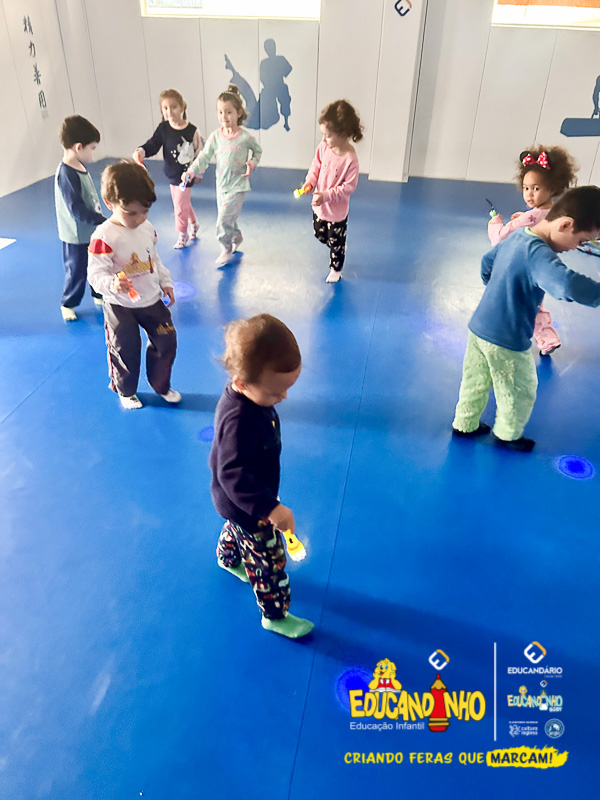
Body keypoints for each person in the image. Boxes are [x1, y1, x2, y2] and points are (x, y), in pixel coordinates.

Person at [452, 186, 600, 452]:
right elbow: (565, 284)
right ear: (565, 225)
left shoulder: (519, 234)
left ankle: (465, 423)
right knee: (519, 388)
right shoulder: (539, 254)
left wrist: (497, 287)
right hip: (506, 338)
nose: (577, 248)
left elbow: (487, 262)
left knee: (475, 380)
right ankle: (507, 435)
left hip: (479, 327)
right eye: (581, 241)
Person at [210, 313, 313, 639]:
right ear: (241, 382)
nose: (283, 398)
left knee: (236, 527)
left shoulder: (252, 394)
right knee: (269, 561)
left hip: (239, 501)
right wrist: (269, 508)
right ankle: (275, 614)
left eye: (286, 389)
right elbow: (232, 474)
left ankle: (228, 557)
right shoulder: (238, 419)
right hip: (248, 502)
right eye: (275, 393)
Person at [87, 161, 180, 410]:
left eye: (145, 211)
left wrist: (166, 281)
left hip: (150, 299)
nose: (139, 218)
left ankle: (161, 384)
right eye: (131, 213)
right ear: (110, 204)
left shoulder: (147, 228)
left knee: (167, 341)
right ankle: (126, 390)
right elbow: (95, 274)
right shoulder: (104, 236)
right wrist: (112, 284)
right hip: (120, 305)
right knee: (125, 349)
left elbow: (154, 259)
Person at [488, 145, 578, 355]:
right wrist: (525, 216)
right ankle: (547, 339)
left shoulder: (530, 217)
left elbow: (500, 237)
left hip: (521, 269)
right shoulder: (554, 212)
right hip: (541, 268)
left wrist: (495, 223)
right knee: (535, 305)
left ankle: (503, 338)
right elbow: (538, 221)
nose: (529, 194)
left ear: (552, 189)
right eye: (526, 188)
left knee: (508, 301)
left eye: (536, 188)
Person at [181, 85, 262, 267]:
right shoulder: (215, 137)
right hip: (221, 186)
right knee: (228, 217)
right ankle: (236, 236)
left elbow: (258, 152)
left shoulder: (245, 138)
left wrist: (252, 163)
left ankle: (226, 248)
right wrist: (191, 171)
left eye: (228, 112)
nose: (224, 117)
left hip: (238, 186)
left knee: (223, 219)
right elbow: (204, 157)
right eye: (220, 112)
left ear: (239, 113)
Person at [298, 100, 362, 283]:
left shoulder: (350, 159)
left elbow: (348, 187)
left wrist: (326, 196)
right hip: (319, 206)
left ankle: (336, 267)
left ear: (343, 134)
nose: (324, 139)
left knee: (336, 243)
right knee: (319, 234)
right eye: (323, 135)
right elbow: (316, 165)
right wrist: (310, 182)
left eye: (328, 135)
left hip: (337, 212)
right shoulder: (324, 147)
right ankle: (338, 245)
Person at [133, 89, 203, 249]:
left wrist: (198, 173)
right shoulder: (163, 129)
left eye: (174, 107)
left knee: (179, 206)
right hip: (172, 174)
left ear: (182, 107)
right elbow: (153, 144)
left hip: (186, 176)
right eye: (165, 108)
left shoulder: (192, 131)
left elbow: (200, 154)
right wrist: (141, 151)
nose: (169, 111)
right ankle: (194, 223)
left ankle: (183, 234)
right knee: (183, 203)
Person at [54, 115, 106, 321]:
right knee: (76, 270)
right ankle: (68, 302)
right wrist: (100, 220)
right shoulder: (66, 173)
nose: (93, 152)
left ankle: (98, 293)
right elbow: (75, 207)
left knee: (96, 264)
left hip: (90, 231)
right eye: (92, 148)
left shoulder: (79, 166)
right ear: (78, 147)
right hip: (76, 235)